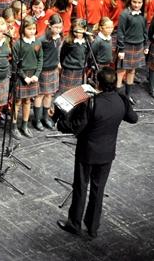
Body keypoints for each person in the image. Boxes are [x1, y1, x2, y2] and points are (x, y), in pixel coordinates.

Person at [57, 68, 137, 239]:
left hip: (87, 152)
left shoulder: (92, 103)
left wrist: (61, 120)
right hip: (107, 153)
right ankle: (92, 228)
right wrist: (121, 95)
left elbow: (75, 127)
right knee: (98, 189)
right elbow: (133, 118)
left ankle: (74, 224)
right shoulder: (121, 100)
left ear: (98, 83)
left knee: (80, 187)